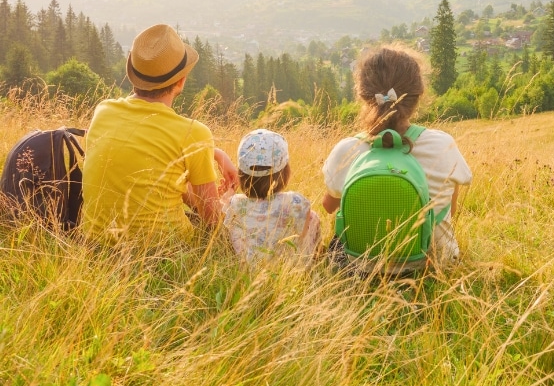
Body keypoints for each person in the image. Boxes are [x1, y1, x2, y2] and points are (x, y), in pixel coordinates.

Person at [81, 23, 237, 244]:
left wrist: (215, 153)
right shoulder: (193, 133)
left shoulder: (103, 111)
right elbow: (212, 221)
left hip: (96, 247)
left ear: (134, 75)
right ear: (181, 81)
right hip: (166, 254)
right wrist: (228, 200)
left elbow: (151, 170)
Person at [321, 45, 472, 271]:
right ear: (418, 96)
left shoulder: (347, 150)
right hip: (433, 264)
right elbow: (451, 209)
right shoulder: (443, 145)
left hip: (363, 265)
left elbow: (329, 207)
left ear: (364, 96)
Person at [223, 129, 321, 265]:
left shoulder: (235, 203)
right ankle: (311, 262)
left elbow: (223, 208)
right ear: (285, 172)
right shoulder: (295, 201)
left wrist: (229, 193)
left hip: (248, 272)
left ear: (241, 173)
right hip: (289, 272)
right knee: (312, 217)